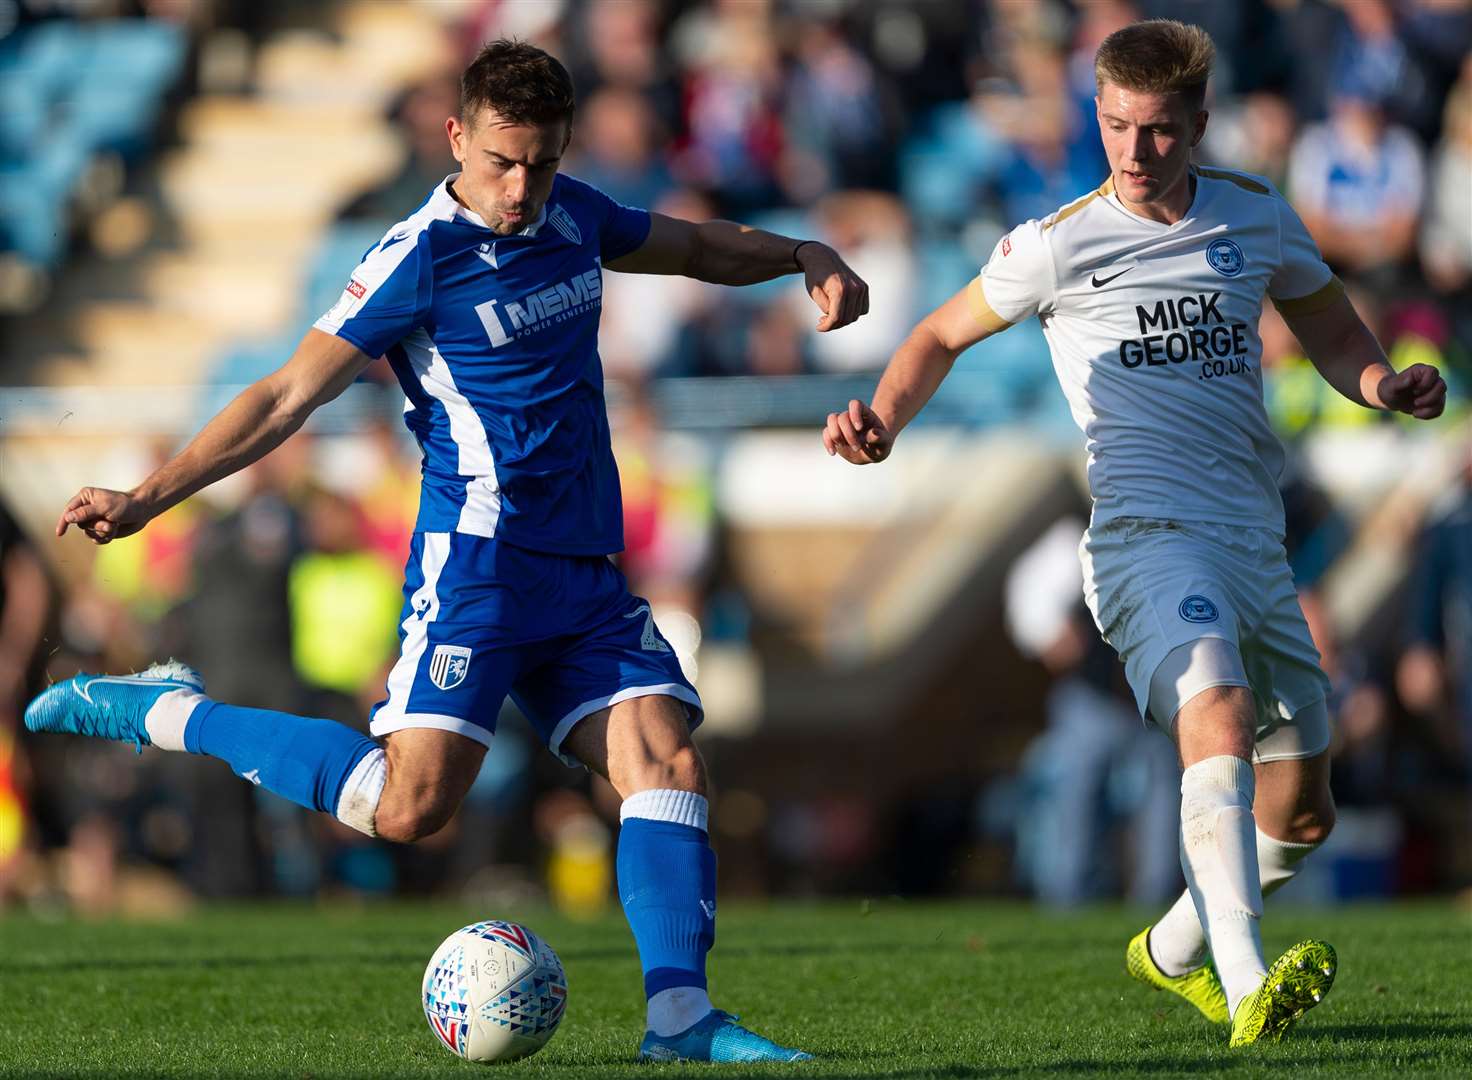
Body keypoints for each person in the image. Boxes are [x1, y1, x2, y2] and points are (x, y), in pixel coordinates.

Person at [27, 38, 868, 1064]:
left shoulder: (574, 215)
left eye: (543, 163)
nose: (522, 189)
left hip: (581, 572)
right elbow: (285, 394)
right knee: (408, 807)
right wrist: (150, 497)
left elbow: (692, 245)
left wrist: (799, 255)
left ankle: (680, 1019)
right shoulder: (415, 257)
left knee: (664, 760)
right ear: (457, 136)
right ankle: (169, 711)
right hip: (474, 569)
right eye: (503, 161)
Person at [822, 18, 1445, 1048]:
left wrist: (1379, 382)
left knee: (1298, 815)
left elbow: (1326, 323)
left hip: (1253, 539)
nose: (1132, 152)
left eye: (1156, 132)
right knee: (1216, 710)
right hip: (1143, 536)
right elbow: (935, 331)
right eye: (1114, 126)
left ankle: (1170, 951)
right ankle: (1248, 988)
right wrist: (880, 418)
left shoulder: (1253, 215)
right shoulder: (1057, 243)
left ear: (1198, 122)